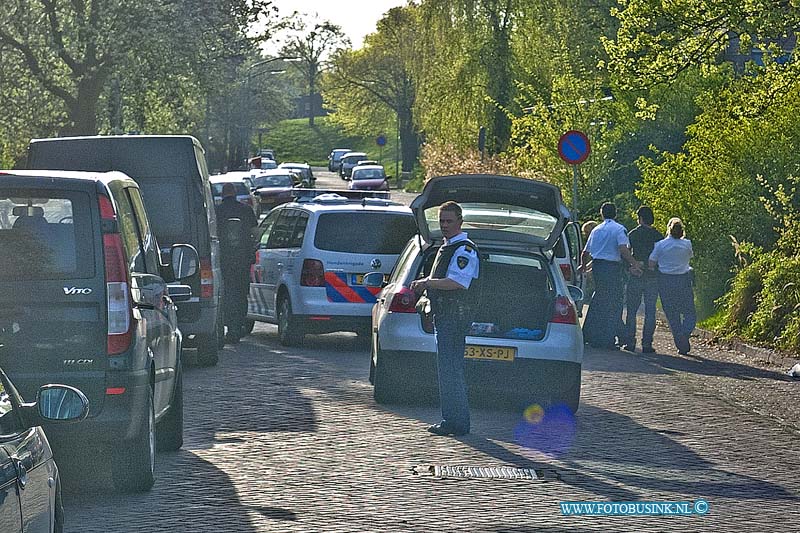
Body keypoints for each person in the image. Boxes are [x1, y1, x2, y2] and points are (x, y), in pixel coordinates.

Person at [410, 201, 479, 437]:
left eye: (449, 221)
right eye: (442, 221)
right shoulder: (447, 246)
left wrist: (426, 283)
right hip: (444, 315)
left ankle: (456, 422)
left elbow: (458, 282)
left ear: (460, 221)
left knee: (451, 369)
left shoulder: (464, 250)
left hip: (454, 317)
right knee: (447, 369)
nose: (445, 226)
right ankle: (452, 419)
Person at [579, 202, 641, 349]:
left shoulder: (596, 230)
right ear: (615, 213)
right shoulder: (619, 229)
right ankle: (609, 337)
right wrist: (634, 263)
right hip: (612, 268)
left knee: (599, 299)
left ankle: (589, 334)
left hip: (598, 268)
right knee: (614, 302)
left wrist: (582, 266)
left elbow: (585, 252)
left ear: (602, 214)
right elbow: (623, 249)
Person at [215, 183, 258, 343]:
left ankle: (229, 326)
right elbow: (255, 233)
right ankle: (239, 324)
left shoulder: (217, 211)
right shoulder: (246, 210)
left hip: (224, 260)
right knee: (241, 293)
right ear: (234, 194)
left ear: (222, 195)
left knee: (226, 292)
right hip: (243, 261)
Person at [620, 206, 663, 353]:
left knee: (631, 310)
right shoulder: (658, 236)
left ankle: (630, 342)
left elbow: (625, 253)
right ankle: (647, 343)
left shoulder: (632, 234)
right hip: (652, 276)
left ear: (640, 218)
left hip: (636, 274)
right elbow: (659, 257)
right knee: (650, 310)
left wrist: (629, 267)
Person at [649, 217, 695, 355]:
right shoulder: (687, 244)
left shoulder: (660, 245)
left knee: (672, 313)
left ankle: (680, 341)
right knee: (689, 312)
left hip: (666, 281)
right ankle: (685, 333)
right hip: (683, 280)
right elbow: (690, 257)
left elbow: (651, 263)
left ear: (668, 229)